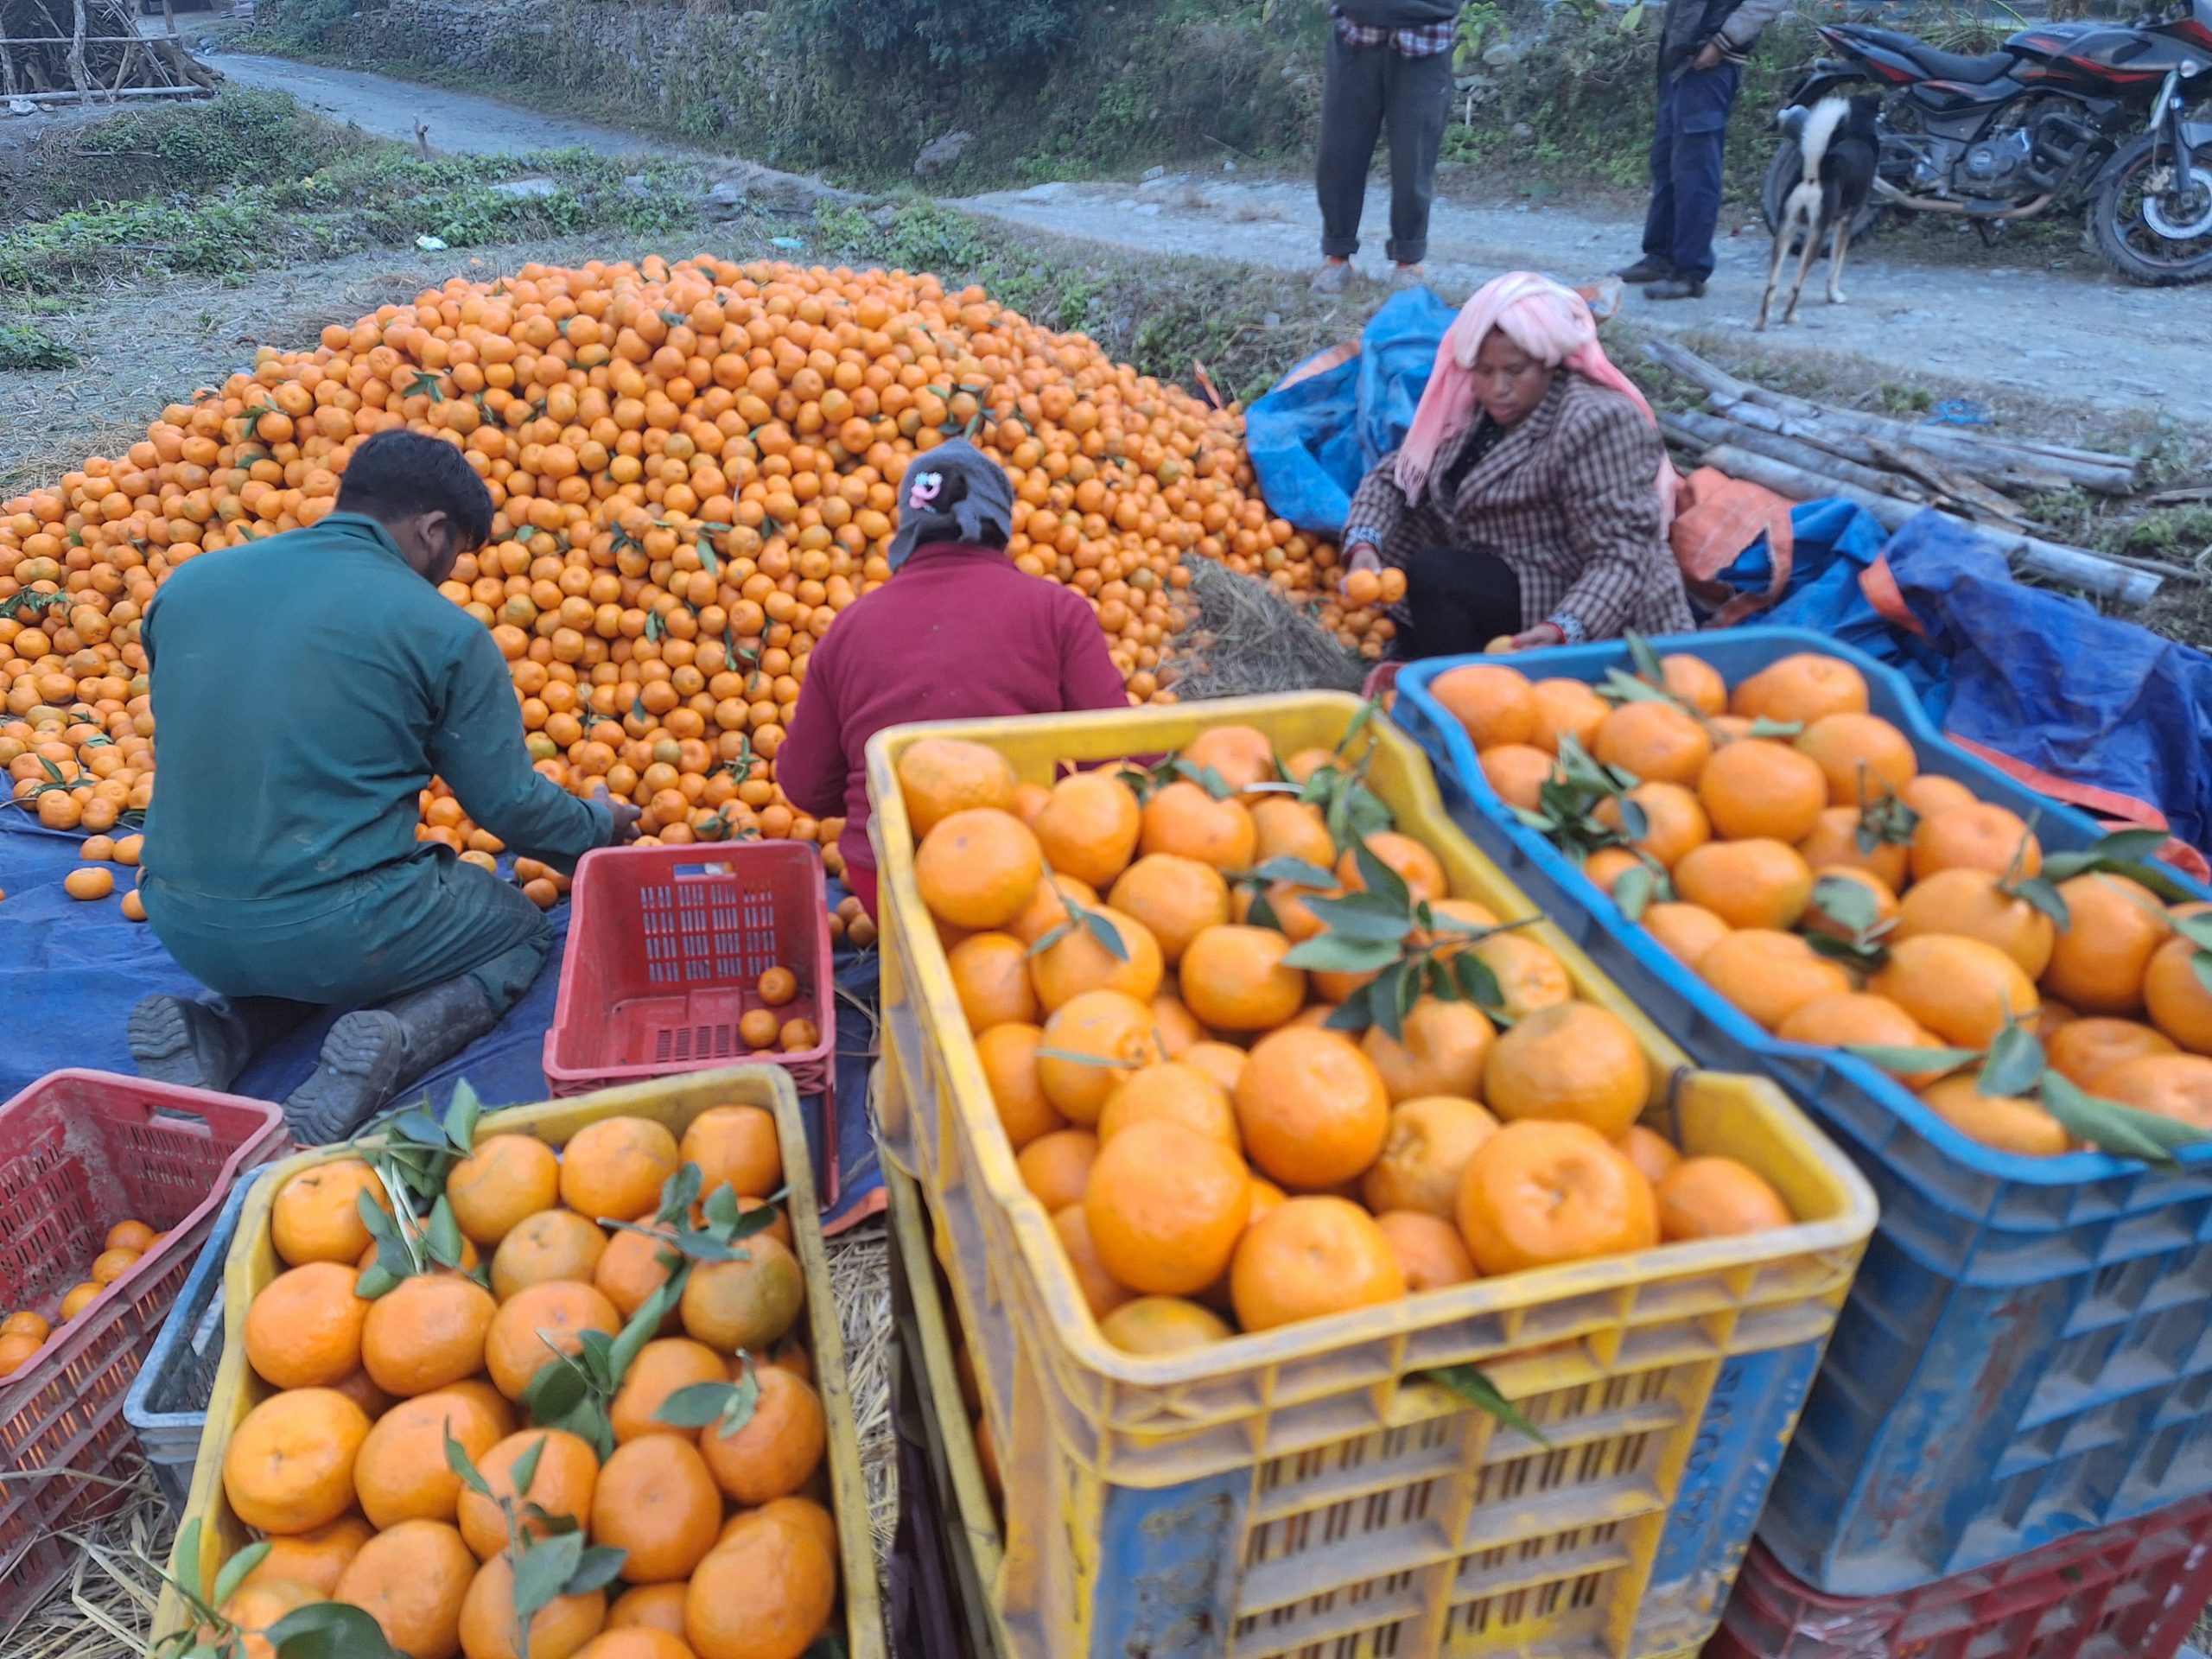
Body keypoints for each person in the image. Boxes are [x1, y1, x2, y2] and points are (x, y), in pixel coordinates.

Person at [127, 430, 640, 1141]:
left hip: (180, 918)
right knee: (517, 928)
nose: (447, 575)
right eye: (455, 554)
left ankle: (218, 1033)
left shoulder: (188, 585)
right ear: (433, 531)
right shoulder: (441, 632)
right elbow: (509, 808)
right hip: (342, 929)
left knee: (317, 936)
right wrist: (598, 829)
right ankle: (396, 1043)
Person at [778, 441, 1128, 919]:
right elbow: (1120, 760)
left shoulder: (850, 626)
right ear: (999, 525)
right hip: (1022, 872)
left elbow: (805, 787)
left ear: (907, 529)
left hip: (885, 878)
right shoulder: (1057, 611)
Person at [1338, 271, 1694, 656]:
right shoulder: (1469, 406)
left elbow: (1624, 554)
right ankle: (1450, 674)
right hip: (1503, 567)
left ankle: (1467, 685)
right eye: (1484, 371)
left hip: (1575, 591)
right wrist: (1363, 546)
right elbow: (1395, 476)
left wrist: (1565, 627)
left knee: (1433, 573)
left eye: (1515, 371)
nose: (1497, 388)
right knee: (1414, 550)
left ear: (1549, 362)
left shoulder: (1596, 422)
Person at [1618, 0, 1789, 301]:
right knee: (1666, 164)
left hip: (1711, 63)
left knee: (1696, 172)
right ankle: (1661, 257)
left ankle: (1690, 273)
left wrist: (1722, 43)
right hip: (1679, 60)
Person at [1311, 0, 1459, 294]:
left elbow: (1444, 6)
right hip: (1354, 44)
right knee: (1339, 154)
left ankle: (1408, 262)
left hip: (1425, 51)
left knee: (1413, 161)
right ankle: (1337, 256)